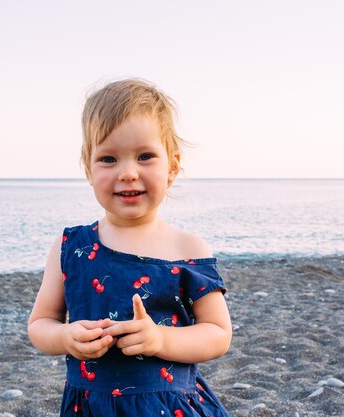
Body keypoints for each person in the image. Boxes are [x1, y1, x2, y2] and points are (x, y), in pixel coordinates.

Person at [28, 79, 233, 416]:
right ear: (88, 169)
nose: (127, 173)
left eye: (145, 156)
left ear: (173, 166)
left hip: (168, 406)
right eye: (108, 159)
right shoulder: (72, 247)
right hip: (92, 406)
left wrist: (161, 340)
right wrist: (66, 337)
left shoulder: (187, 247)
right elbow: (40, 324)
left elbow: (217, 334)